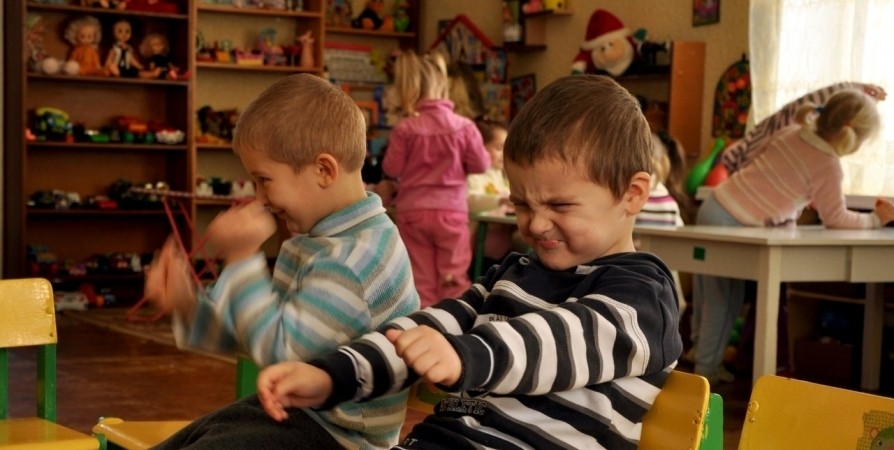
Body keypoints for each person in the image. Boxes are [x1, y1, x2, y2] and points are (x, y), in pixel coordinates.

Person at [256, 74, 684, 450]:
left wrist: (465, 355)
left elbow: (559, 339)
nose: (536, 224)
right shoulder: (511, 276)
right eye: (521, 204)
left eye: (560, 205)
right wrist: (333, 377)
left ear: (632, 194)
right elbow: (422, 331)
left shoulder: (643, 297)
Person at [145, 73, 420, 449]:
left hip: (340, 438)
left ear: (323, 170)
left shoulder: (354, 259)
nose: (259, 198)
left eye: (264, 180)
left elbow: (278, 352)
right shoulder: (318, 242)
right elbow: (255, 330)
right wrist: (188, 306)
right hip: (301, 418)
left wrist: (242, 258)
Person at [691, 87, 894, 386]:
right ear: (852, 137)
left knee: (713, 297)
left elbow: (761, 167)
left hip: (715, 206)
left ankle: (702, 358)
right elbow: (836, 218)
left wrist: (793, 197)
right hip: (731, 221)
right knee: (724, 301)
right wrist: (877, 219)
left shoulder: (791, 132)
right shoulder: (828, 165)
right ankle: (705, 372)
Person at [382, 50, 491, 308]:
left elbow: (392, 168)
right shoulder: (464, 127)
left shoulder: (405, 129)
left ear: (410, 89)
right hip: (451, 212)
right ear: (444, 85)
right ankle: (452, 322)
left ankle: (422, 322)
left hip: (413, 212)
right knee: (453, 277)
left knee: (421, 279)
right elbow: (481, 164)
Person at [466, 118, 522, 273]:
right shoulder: (473, 175)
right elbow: (470, 200)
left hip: (501, 247)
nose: (504, 154)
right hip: (478, 248)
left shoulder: (499, 175)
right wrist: (500, 201)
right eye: (498, 148)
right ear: (479, 148)